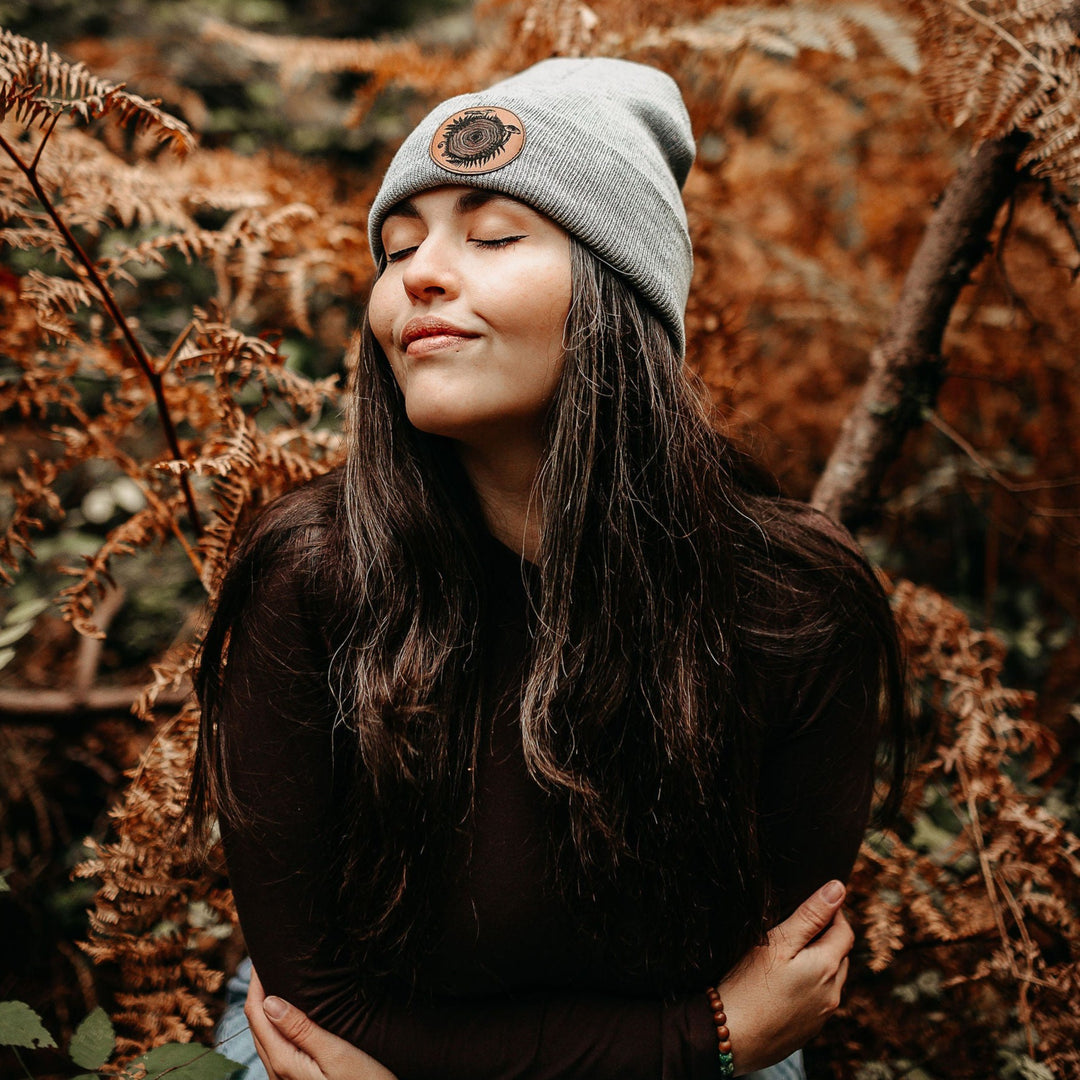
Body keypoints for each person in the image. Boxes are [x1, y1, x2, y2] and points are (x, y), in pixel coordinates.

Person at [190, 57, 907, 1080]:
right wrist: (699, 1038)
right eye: (398, 249)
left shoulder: (789, 606)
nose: (418, 275)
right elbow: (316, 1006)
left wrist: (721, 1037)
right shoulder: (310, 578)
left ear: (623, 296)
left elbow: (784, 981)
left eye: (491, 236)